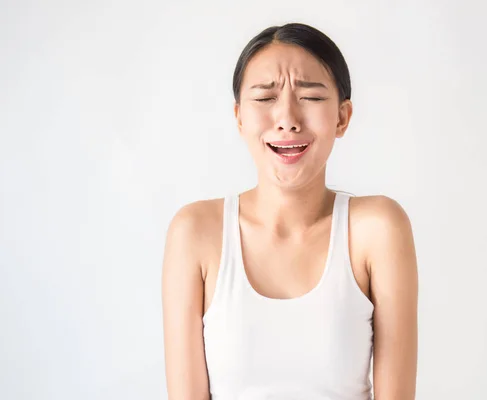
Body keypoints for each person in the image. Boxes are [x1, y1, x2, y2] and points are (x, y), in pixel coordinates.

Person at [161, 22, 419, 400]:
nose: (287, 119)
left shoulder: (377, 229)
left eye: (311, 98)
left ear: (342, 117)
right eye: (265, 99)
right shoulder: (195, 232)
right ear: (239, 117)